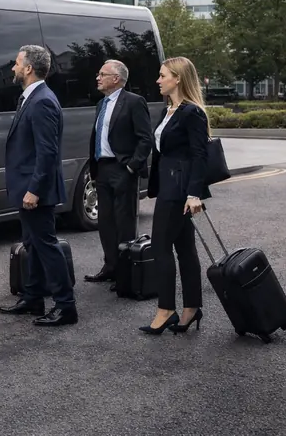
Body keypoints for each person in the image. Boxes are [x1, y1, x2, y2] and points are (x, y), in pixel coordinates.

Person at [0, 45, 77, 327]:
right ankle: (33, 298)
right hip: (28, 187)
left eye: (17, 63)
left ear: (29, 68)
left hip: (36, 190)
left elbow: (47, 152)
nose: (13, 68)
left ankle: (66, 306)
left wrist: (34, 190)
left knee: (46, 246)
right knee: (32, 244)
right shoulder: (30, 98)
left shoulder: (42, 100)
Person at [140, 56, 210, 335]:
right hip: (169, 186)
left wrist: (194, 194)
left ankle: (166, 309)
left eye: (162, 75)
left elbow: (199, 155)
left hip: (179, 190)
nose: (158, 80)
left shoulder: (192, 113)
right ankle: (191, 308)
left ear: (178, 78)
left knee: (160, 247)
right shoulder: (168, 110)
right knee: (185, 250)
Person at [84, 60, 153, 286]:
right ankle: (110, 266)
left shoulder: (134, 102)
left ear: (116, 79)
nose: (97, 77)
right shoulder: (100, 104)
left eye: (102, 74)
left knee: (124, 222)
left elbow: (145, 139)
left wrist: (131, 166)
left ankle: (125, 272)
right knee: (105, 221)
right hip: (102, 168)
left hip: (122, 168)